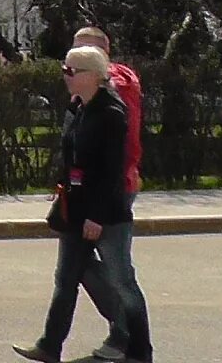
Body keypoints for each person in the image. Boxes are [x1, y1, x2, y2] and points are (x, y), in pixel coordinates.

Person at [11, 47, 153, 363]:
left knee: (122, 282)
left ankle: (140, 351)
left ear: (91, 75)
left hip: (107, 214)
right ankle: (50, 346)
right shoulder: (80, 107)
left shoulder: (111, 113)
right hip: (75, 208)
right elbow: (72, 155)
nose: (65, 75)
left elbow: (110, 171)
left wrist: (96, 216)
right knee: (65, 279)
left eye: (71, 70)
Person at [73, 25, 144, 362]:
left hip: (114, 189)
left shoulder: (114, 84)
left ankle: (127, 337)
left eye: (85, 53)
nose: (72, 62)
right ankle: (124, 332)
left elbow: (116, 145)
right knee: (79, 263)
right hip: (93, 189)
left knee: (118, 272)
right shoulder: (85, 89)